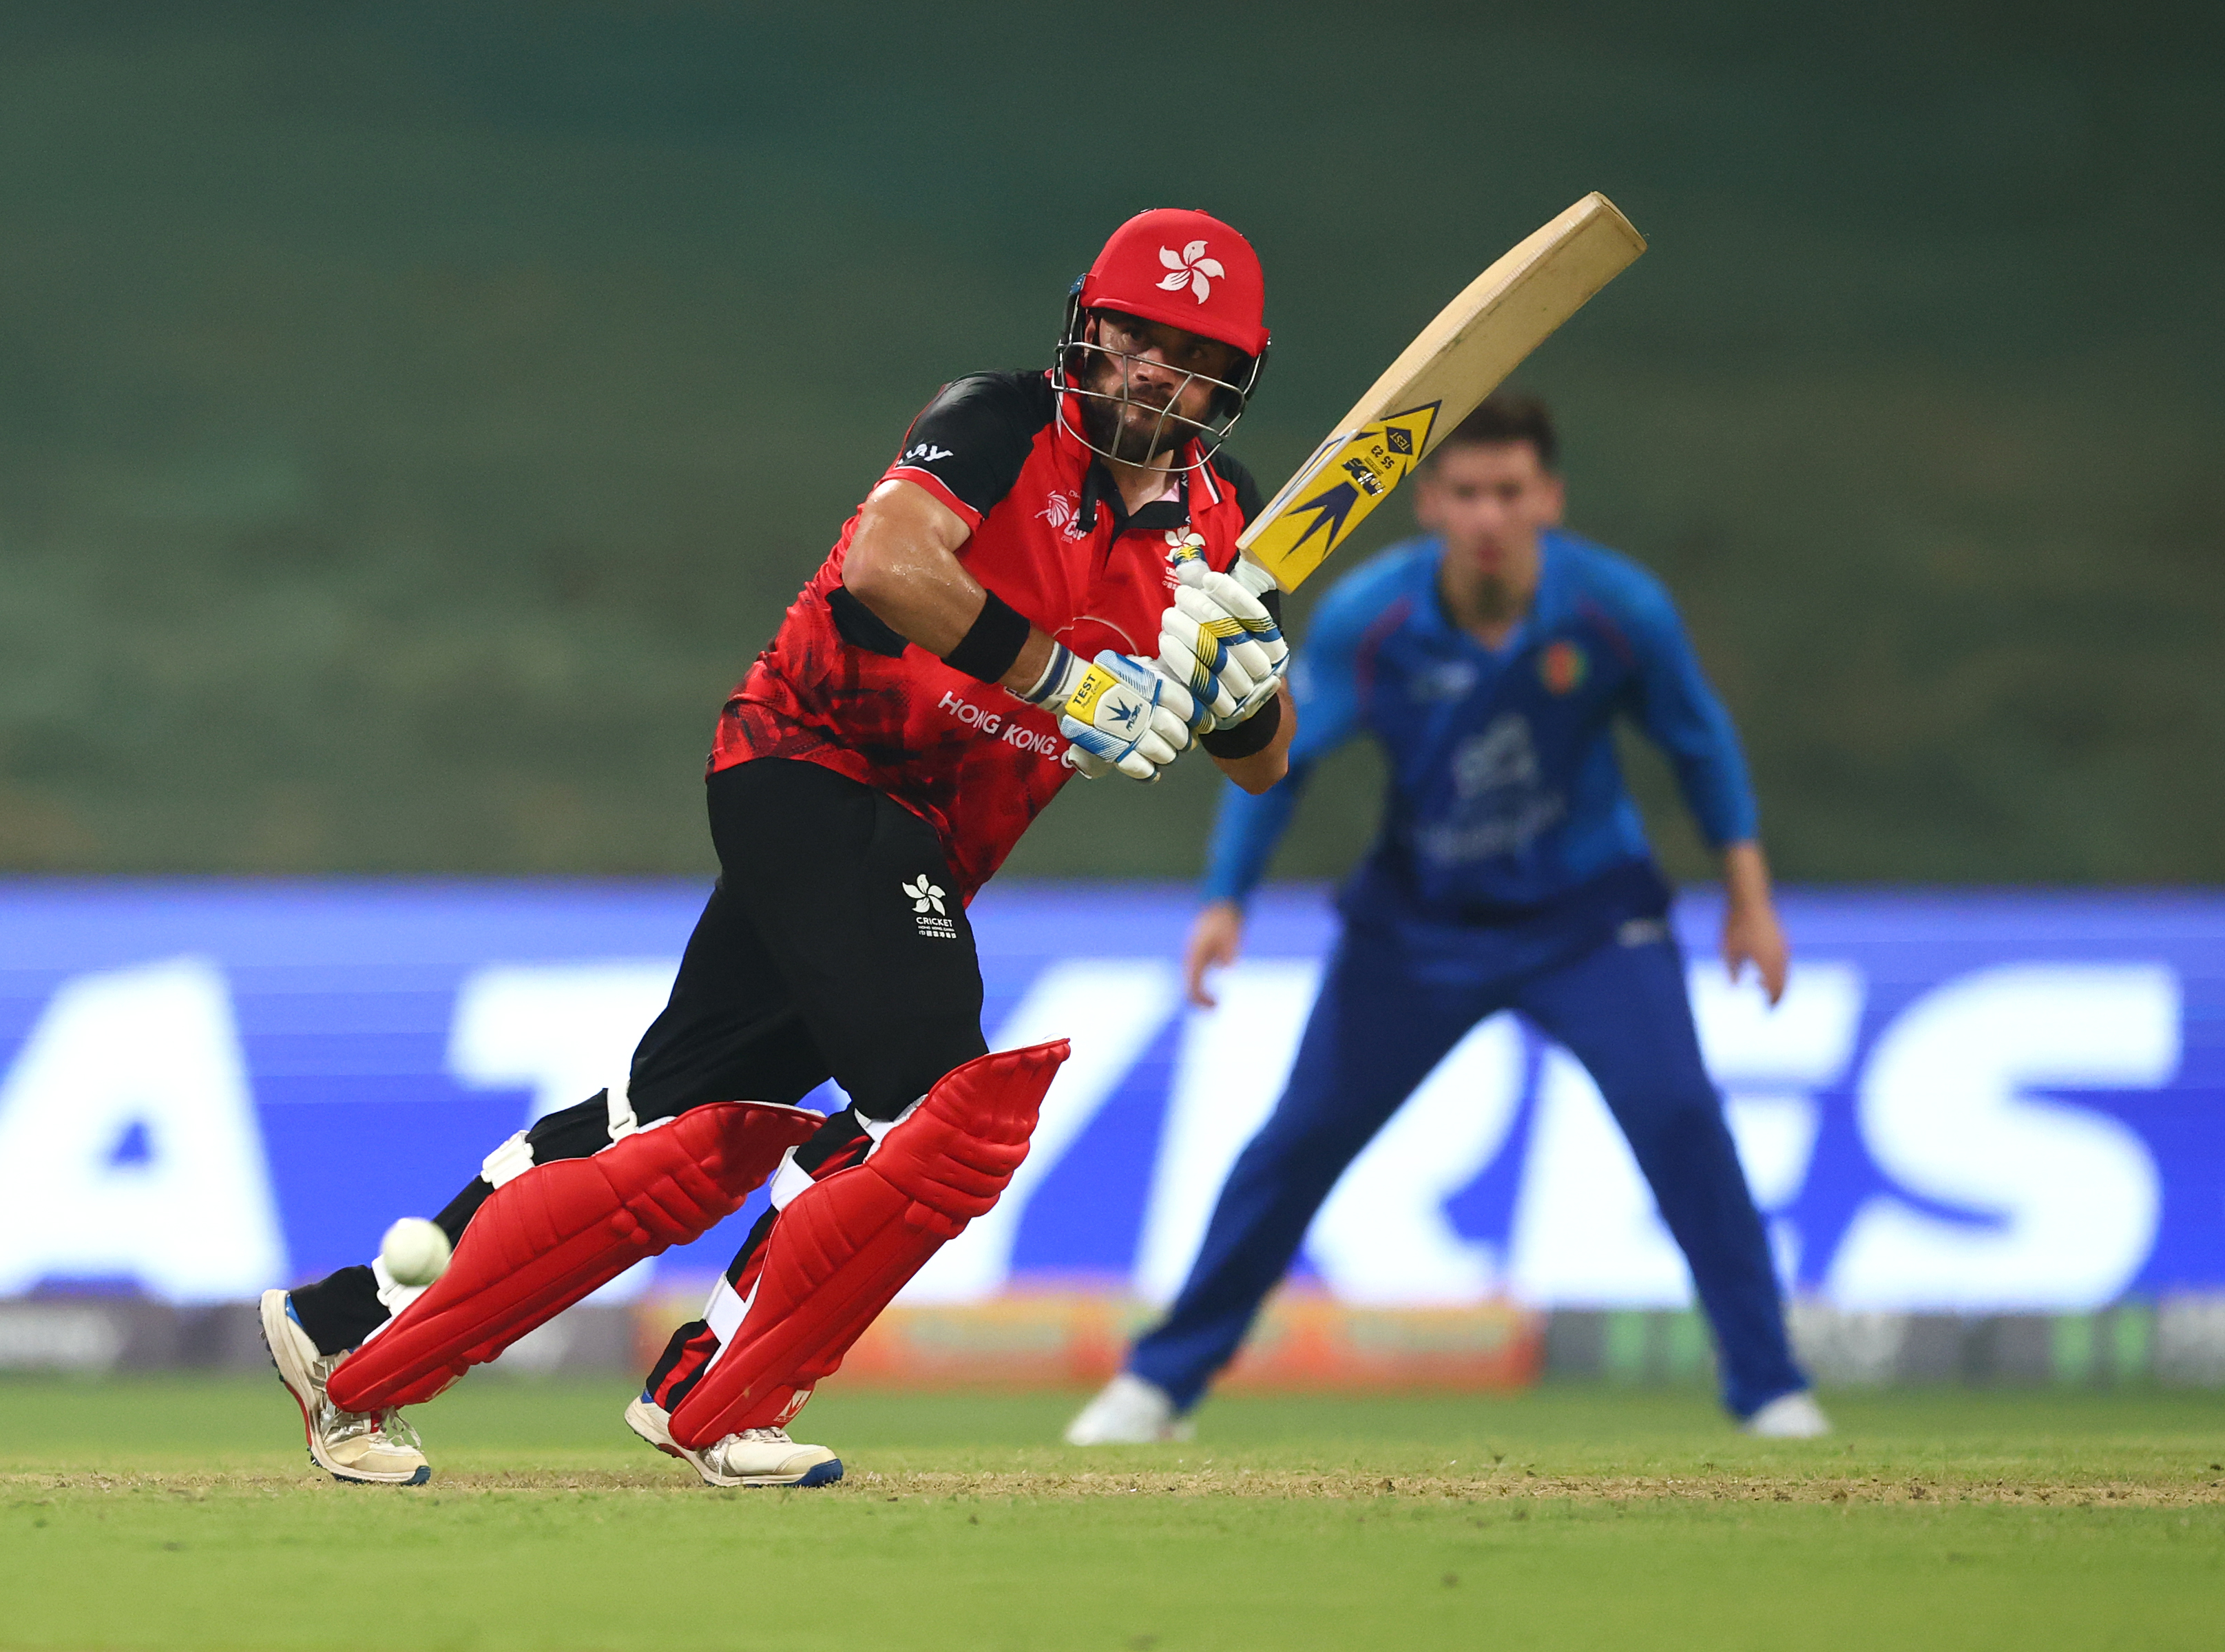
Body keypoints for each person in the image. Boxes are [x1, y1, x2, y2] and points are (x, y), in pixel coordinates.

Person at [259, 207, 1300, 1488]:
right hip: (808, 760)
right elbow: (885, 562)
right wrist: (1067, 683)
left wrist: (1244, 684)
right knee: (941, 1111)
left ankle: (347, 1332)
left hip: (933, 835)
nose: (1157, 374)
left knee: (675, 1122)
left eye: (1191, 357)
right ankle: (719, 1393)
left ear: (1229, 383)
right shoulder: (995, 423)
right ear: (1086, 334)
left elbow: (1259, 758)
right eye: (1137, 340)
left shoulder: (1221, 516)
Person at [1065, 394, 1830, 1445]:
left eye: (1509, 493)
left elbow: (1697, 744)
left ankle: (1770, 1390)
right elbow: (1277, 761)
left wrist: (1748, 900)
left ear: (1548, 499)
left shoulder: (1615, 610)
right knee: (1297, 1145)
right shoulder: (1371, 619)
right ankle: (1157, 1386)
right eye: (1465, 493)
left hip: (1588, 924)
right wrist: (1223, 902)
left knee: (1684, 1126)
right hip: (1416, 928)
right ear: (1428, 503)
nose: (1487, 516)